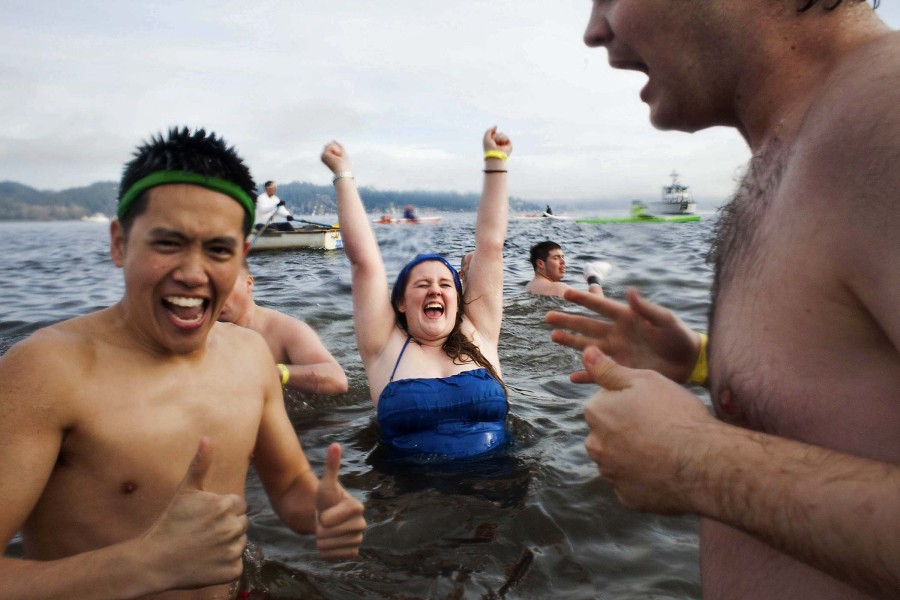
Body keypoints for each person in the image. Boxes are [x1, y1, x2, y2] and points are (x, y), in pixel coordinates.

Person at [547, 2, 899, 599]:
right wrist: (706, 366)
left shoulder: (883, 121)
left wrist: (695, 461)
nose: (595, 29)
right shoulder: (814, 136)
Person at [0, 127, 366, 599]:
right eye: (168, 243)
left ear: (242, 258)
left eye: (218, 250)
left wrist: (322, 509)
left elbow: (291, 483)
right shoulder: (48, 371)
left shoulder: (250, 356)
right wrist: (143, 566)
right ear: (119, 243)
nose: (193, 274)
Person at [321, 127, 512, 459]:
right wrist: (343, 174)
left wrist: (496, 161)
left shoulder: (479, 330)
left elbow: (491, 246)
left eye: (444, 284)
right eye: (422, 285)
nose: (434, 290)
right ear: (400, 303)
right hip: (409, 499)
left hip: (495, 492)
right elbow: (364, 262)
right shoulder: (384, 345)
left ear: (459, 298)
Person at [218, 261, 349, 395]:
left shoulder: (287, 330)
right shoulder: (202, 334)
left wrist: (273, 372)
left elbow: (337, 380)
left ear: (249, 283)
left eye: (226, 286)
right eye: (212, 289)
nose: (218, 296)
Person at [525, 240, 610, 298]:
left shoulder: (528, 287)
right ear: (540, 264)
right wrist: (593, 278)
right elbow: (597, 303)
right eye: (556, 258)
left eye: (563, 257)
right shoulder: (558, 287)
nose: (563, 261)